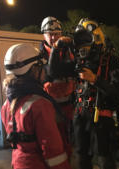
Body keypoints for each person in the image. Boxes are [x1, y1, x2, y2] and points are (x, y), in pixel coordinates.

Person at [48, 18, 119, 169]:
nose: (82, 48)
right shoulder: (79, 63)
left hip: (103, 120)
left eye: (85, 40)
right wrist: (57, 48)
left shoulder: (111, 61)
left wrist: (95, 80)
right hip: (81, 117)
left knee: (105, 163)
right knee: (82, 158)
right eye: (79, 42)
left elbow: (118, 92)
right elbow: (53, 72)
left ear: (96, 39)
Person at [1, 43, 75, 169]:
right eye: (41, 67)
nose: (44, 71)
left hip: (21, 163)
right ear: (34, 71)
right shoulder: (39, 104)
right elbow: (53, 151)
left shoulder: (9, 103)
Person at [40, 16, 76, 148]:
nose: (54, 37)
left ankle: (66, 163)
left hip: (68, 104)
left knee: (68, 139)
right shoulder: (40, 54)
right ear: (44, 36)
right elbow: (51, 72)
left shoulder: (68, 51)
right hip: (49, 105)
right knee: (52, 138)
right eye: (50, 34)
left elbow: (75, 68)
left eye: (56, 34)